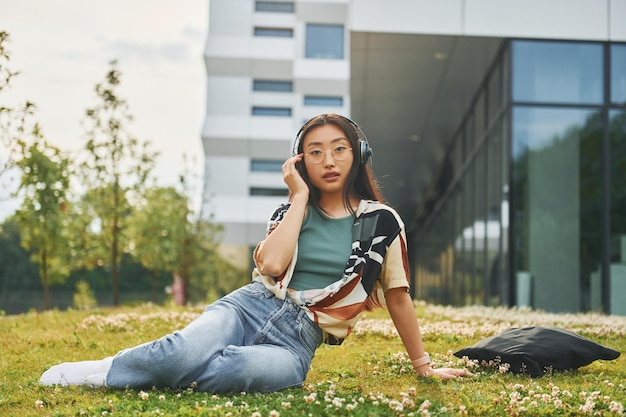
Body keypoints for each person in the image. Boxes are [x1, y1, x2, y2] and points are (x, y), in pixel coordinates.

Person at [40, 113, 472, 393]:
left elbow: (398, 295)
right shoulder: (289, 209)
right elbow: (270, 265)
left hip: (298, 341)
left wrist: (423, 366)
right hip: (249, 306)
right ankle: (110, 370)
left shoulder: (383, 222)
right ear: (301, 162)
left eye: (339, 148)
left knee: (236, 373)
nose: (329, 160)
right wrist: (299, 197)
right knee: (184, 351)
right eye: (315, 152)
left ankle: (157, 368)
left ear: (358, 155)